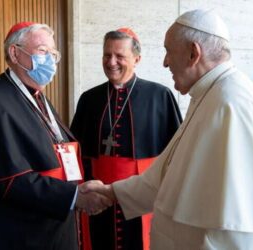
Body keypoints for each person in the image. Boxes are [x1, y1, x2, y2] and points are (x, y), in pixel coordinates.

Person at [84, 9, 253, 250]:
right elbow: (167, 177)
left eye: (168, 51)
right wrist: (111, 191)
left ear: (193, 53)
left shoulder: (232, 105)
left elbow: (237, 227)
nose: (165, 62)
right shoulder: (211, 95)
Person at [0, 22, 111, 250]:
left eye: (54, 53)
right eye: (43, 51)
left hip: (44, 223)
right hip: (10, 231)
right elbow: (9, 180)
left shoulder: (35, 96)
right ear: (15, 53)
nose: (51, 61)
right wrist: (74, 196)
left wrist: (77, 189)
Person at [70, 27, 182, 250]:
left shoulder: (160, 96)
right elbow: (76, 152)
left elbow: (178, 154)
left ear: (137, 58)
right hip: (97, 197)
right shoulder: (89, 99)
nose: (112, 62)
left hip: (143, 197)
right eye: (106, 55)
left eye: (119, 56)